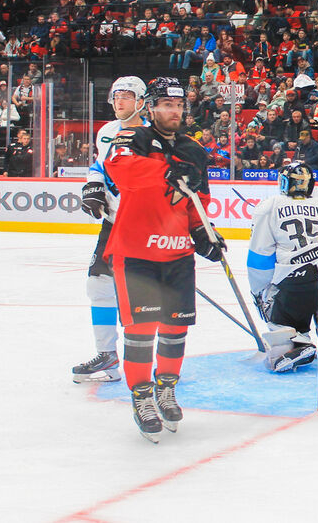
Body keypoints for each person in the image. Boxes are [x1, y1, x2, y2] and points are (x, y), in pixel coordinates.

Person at [103, 76, 225, 442]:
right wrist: (166, 171)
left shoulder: (194, 150)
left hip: (176, 253)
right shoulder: (132, 138)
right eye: (166, 105)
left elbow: (195, 203)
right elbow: (119, 172)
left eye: (178, 106)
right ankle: (141, 397)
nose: (173, 111)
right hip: (135, 250)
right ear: (151, 107)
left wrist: (204, 233)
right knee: (141, 332)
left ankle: (166, 388)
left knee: (175, 328)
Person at [71, 76, 147, 384]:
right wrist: (93, 187)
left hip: (143, 224)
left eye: (126, 96)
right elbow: (100, 166)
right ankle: (107, 355)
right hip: (113, 223)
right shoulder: (107, 131)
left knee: (142, 294)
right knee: (99, 284)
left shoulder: (152, 133)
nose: (119, 102)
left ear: (141, 101)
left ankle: (146, 361)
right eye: (116, 96)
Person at [246, 162, 318, 372]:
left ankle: (295, 343)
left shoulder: (270, 206)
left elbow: (260, 256)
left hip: (299, 278)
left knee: (279, 311)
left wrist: (259, 291)